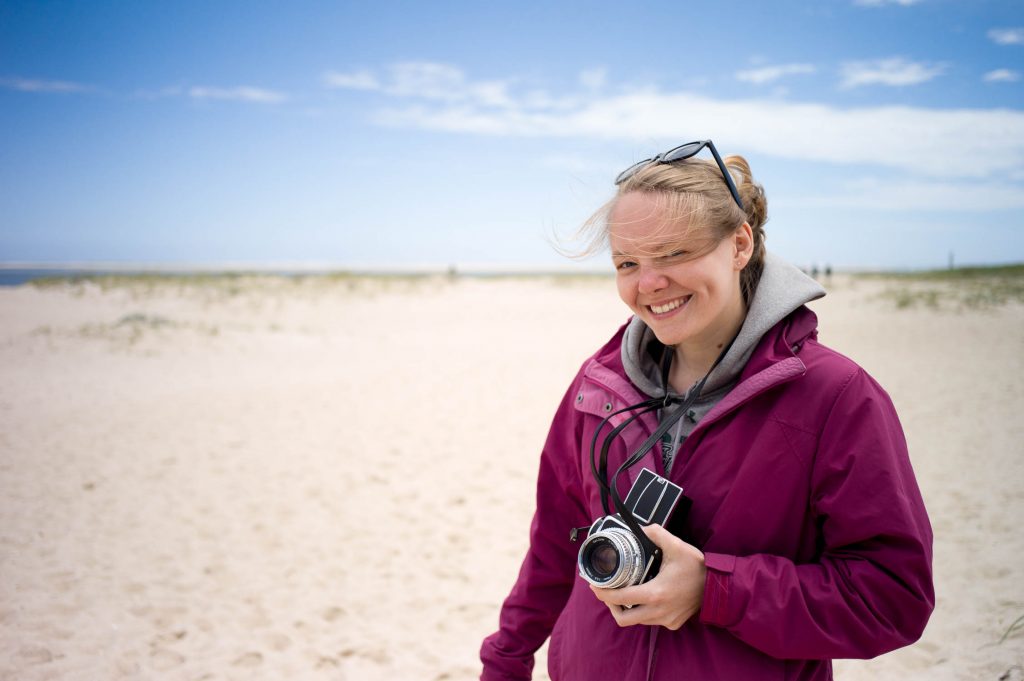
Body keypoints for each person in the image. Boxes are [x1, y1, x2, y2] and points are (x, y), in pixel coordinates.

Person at [479, 140, 934, 680]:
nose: (649, 284)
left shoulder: (836, 396)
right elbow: (555, 544)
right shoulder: (596, 387)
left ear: (739, 244)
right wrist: (504, 662)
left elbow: (893, 596)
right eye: (628, 262)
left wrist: (714, 589)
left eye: (674, 254)